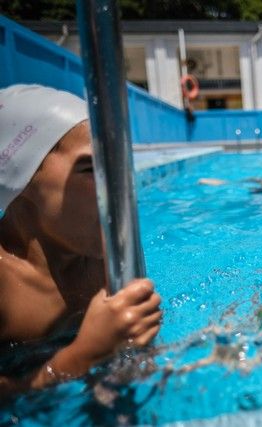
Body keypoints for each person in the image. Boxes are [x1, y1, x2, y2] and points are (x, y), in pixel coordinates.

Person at [0, 84, 162, 397]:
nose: (118, 186)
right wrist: (81, 356)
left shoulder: (112, 256)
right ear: (25, 179)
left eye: (118, 167)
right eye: (91, 168)